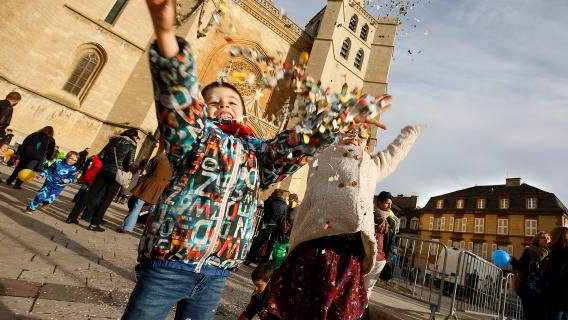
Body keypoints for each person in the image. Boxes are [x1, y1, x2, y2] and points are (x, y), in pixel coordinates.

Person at [121, 1, 385, 319]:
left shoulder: (257, 154)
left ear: (245, 112)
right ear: (200, 110)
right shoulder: (193, 139)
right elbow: (176, 100)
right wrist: (165, 34)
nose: (223, 105)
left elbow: (294, 146)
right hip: (168, 263)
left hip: (217, 272)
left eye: (232, 100)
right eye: (213, 101)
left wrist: (341, 118)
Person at [263, 124, 423, 319]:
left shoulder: (371, 165)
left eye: (360, 135)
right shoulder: (321, 155)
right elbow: (306, 139)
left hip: (347, 248)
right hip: (314, 240)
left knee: (336, 307)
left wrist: (411, 132)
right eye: (348, 131)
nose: (353, 137)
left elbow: (393, 154)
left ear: (366, 145)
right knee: (297, 303)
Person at [65, 128, 138, 232]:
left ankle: (71, 217)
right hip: (117, 175)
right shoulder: (132, 146)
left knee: (89, 194)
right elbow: (128, 164)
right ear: (133, 136)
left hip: (103, 171)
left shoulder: (113, 141)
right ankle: (94, 224)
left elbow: (101, 155)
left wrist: (108, 163)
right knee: (106, 200)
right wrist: (134, 169)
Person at [118, 147, 172, 233]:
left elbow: (148, 169)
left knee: (137, 206)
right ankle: (147, 230)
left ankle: (127, 227)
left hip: (149, 185)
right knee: (152, 210)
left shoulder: (159, 157)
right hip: (161, 188)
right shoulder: (174, 164)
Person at [364, 191, 401, 297]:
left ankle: (360, 312)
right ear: (379, 202)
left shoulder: (392, 220)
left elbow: (393, 240)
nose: (389, 206)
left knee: (368, 288)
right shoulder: (370, 216)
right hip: (366, 255)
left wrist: (387, 258)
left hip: (380, 258)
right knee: (358, 283)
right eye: (387, 203)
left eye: (390, 204)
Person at [510, 231, 551, 320]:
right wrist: (512, 260)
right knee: (530, 314)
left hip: (544, 289)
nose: (546, 240)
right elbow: (520, 266)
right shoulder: (529, 251)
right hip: (528, 288)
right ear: (537, 239)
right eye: (543, 238)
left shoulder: (551, 253)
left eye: (548, 238)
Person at [247, 190, 289, 264]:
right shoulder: (284, 204)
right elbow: (285, 215)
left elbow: (265, 208)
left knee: (259, 241)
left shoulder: (269, 201)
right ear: (281, 195)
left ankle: (251, 258)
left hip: (265, 224)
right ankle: (265, 260)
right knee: (271, 243)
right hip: (276, 227)